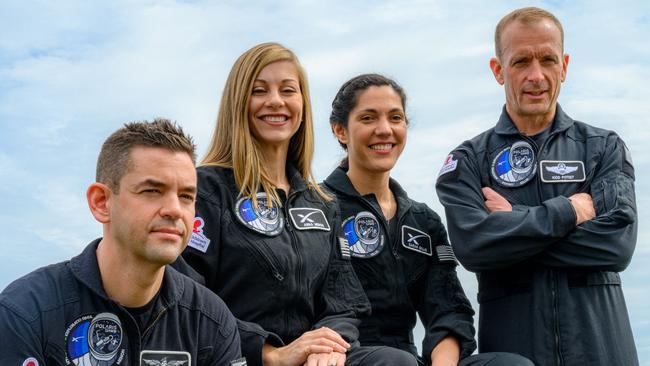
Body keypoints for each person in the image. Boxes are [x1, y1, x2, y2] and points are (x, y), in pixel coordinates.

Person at [178, 43, 415, 366]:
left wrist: (327, 346)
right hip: (235, 357)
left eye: (288, 90)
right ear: (238, 103)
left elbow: (344, 305)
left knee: (394, 362)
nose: (276, 101)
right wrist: (270, 353)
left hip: (312, 360)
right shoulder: (204, 190)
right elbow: (186, 295)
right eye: (259, 91)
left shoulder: (322, 204)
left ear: (302, 104)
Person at [435, 7, 638, 365]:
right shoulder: (469, 161)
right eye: (521, 62)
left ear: (565, 65)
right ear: (498, 70)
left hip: (603, 351)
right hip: (515, 354)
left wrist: (514, 221)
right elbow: (474, 246)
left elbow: (616, 246)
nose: (536, 75)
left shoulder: (603, 147)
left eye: (548, 59)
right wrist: (569, 211)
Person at [324, 74, 533, 366]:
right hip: (342, 356)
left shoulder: (423, 220)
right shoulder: (318, 208)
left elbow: (447, 310)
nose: (384, 130)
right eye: (369, 118)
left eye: (395, 118)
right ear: (341, 131)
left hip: (408, 360)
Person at [0, 119, 242, 365]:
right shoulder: (25, 312)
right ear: (101, 203)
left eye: (186, 196)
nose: (174, 210)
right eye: (152, 191)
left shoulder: (212, 322)